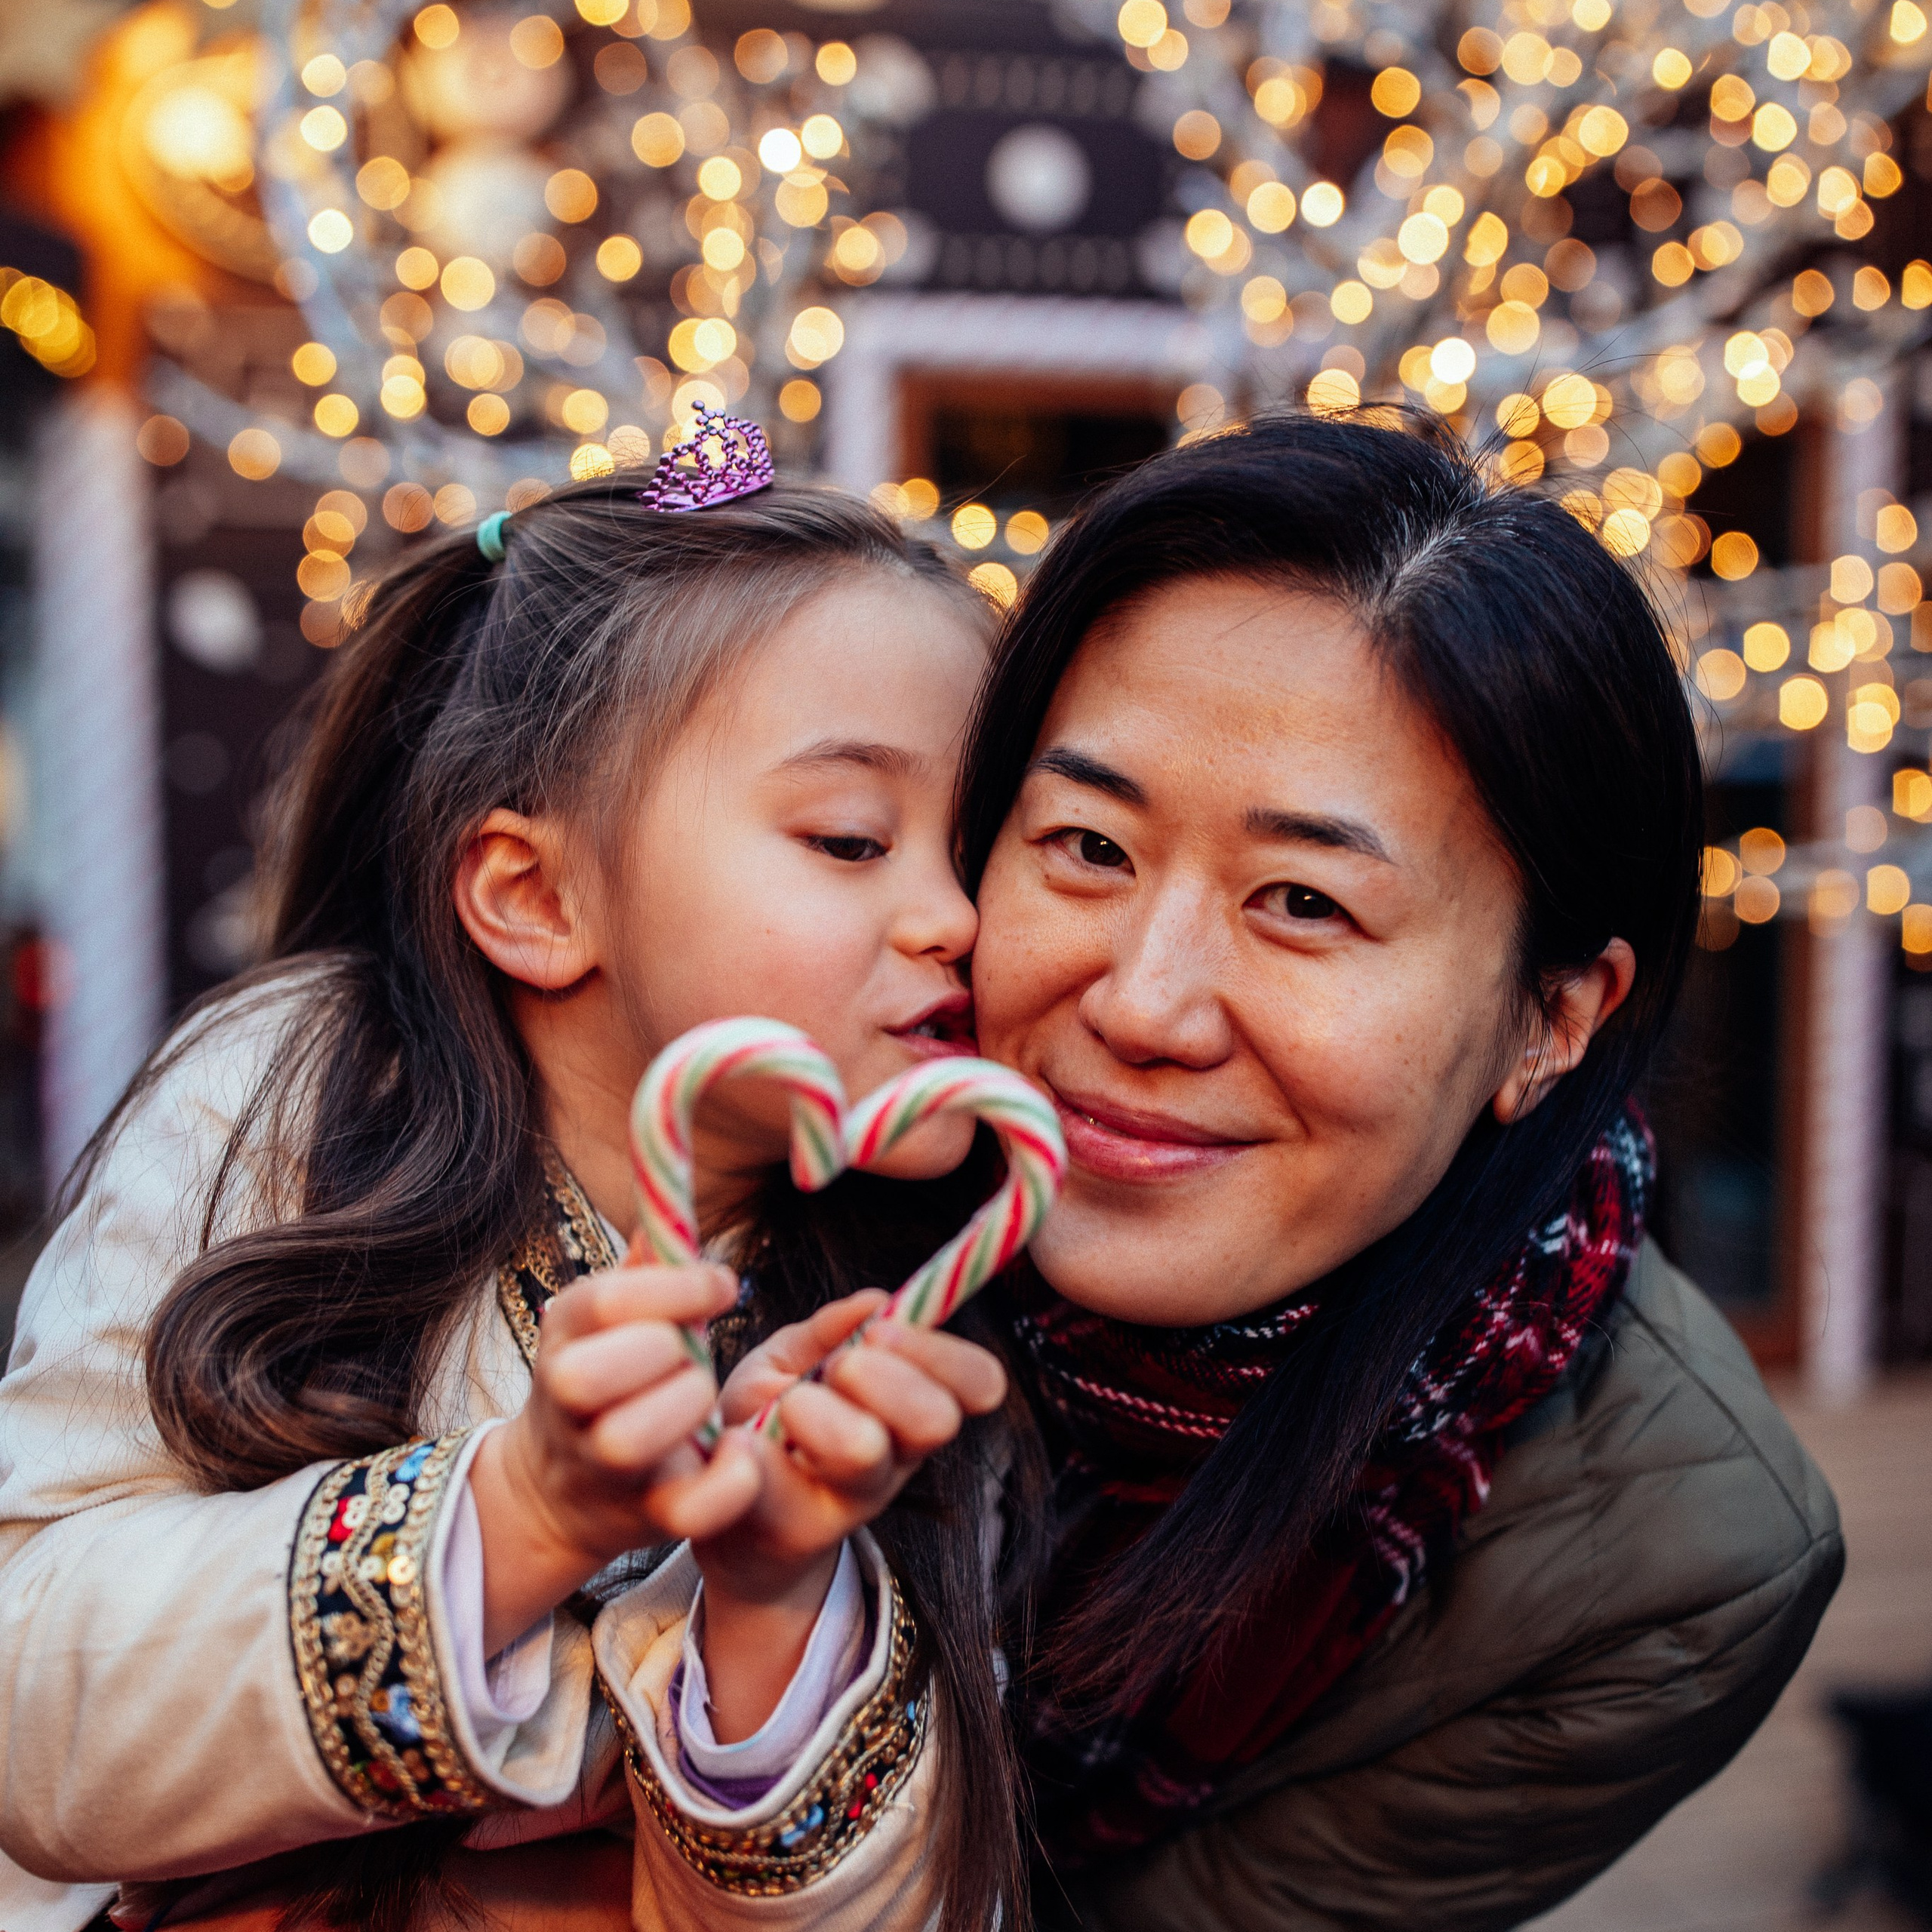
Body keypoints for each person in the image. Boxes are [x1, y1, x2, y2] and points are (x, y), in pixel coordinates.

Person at [628, 412, 1844, 1932]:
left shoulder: (1671, 1560)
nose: (1140, 1002)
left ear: (1547, 1019)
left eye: (1302, 902)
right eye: (1085, 844)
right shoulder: (787, 1142)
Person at [0, 423, 1017, 1932]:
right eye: (850, 835)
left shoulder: (939, 1304)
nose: (952, 913)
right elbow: (30, 1707)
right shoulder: (302, 1085)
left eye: (981, 840)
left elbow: (934, 1902)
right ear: (535, 896)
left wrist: (769, 1600)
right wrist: (525, 1509)